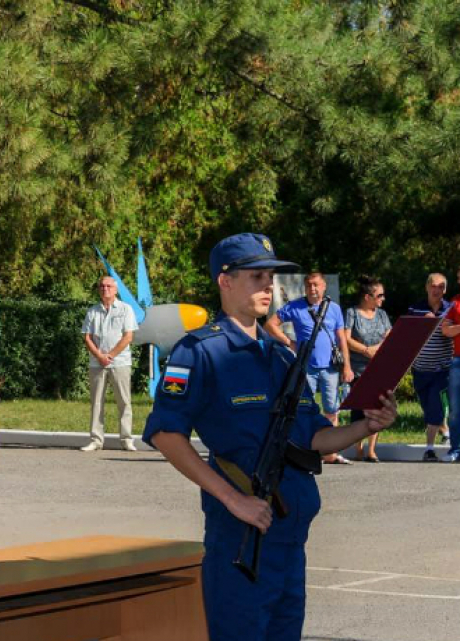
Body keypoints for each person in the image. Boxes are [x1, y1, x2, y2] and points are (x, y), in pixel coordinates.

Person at [143, 232, 397, 641]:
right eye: (257, 276)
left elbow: (314, 438)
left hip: (290, 542)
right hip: (241, 540)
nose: (269, 286)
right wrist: (233, 499)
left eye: (271, 278)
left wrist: (366, 426)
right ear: (225, 281)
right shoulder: (200, 351)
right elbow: (165, 434)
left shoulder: (281, 355)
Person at [265, 272, 355, 464]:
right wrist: (289, 342)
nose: (312, 289)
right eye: (308, 286)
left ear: (324, 287)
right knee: (304, 407)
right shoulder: (295, 306)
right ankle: (305, 447)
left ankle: (330, 452)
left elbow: (342, 339)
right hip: (306, 367)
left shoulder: (334, 309)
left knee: (332, 409)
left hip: (329, 367)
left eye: (316, 285)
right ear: (304, 288)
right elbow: (270, 325)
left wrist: (347, 366)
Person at [80, 275, 139, 452]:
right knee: (97, 402)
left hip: (120, 362)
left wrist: (110, 355)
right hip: (97, 363)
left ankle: (127, 439)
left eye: (108, 286)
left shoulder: (125, 309)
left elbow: (128, 336)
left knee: (124, 401)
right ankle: (96, 440)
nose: (105, 289)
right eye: (102, 286)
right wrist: (99, 355)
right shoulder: (92, 311)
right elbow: (86, 336)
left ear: (116, 289)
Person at [345, 276, 392, 462]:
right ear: (367, 297)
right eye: (380, 295)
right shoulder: (352, 313)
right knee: (359, 410)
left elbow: (390, 336)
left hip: (379, 368)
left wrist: (378, 349)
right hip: (358, 369)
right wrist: (366, 350)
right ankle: (358, 448)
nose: (383, 298)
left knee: (377, 408)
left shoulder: (382, 315)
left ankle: (371, 450)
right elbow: (346, 338)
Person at [407, 274, 453, 462]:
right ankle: (444, 430)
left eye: (441, 287)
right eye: (434, 286)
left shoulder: (451, 309)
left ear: (445, 290)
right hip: (420, 369)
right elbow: (406, 335)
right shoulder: (415, 309)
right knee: (428, 408)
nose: (437, 290)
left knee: (435, 407)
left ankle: (429, 449)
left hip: (442, 368)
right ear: (427, 287)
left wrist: (446, 326)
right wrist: (422, 325)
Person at [441, 267, 460, 462]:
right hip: (458, 361)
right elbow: (445, 330)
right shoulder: (455, 302)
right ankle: (456, 449)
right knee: (455, 410)